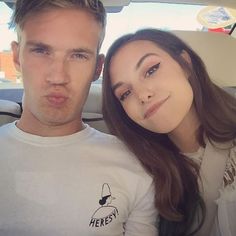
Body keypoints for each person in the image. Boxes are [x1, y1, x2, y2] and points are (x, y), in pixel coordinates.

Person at [0, 1, 158, 235]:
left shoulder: (136, 167)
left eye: (78, 55)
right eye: (41, 51)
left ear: (97, 67)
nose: (58, 77)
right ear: (16, 58)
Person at [102, 28, 236, 236]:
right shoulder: (141, 174)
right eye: (125, 93)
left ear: (186, 64)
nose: (143, 95)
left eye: (151, 70)